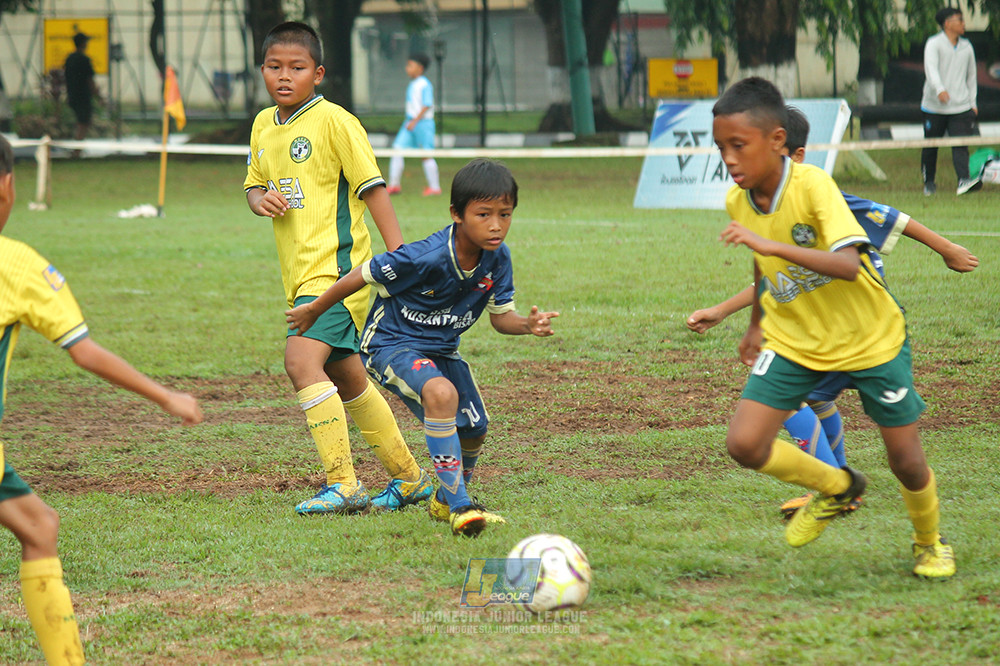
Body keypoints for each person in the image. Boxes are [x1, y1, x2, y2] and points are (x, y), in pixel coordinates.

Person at [712, 77, 955, 578]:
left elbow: (846, 264)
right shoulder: (738, 202)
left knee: (906, 461)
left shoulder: (814, 185)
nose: (729, 159)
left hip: (870, 340)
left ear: (777, 141)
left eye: (739, 146)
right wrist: (757, 321)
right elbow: (762, 264)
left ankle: (929, 542)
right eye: (721, 148)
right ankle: (838, 486)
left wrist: (772, 248)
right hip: (794, 341)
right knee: (745, 444)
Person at [0, 134, 203, 665]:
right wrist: (166, 397)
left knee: (39, 524)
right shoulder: (16, 265)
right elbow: (84, 352)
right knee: (40, 526)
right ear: (6, 186)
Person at [286, 158, 559, 537]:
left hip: (442, 351)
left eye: (505, 214)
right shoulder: (424, 256)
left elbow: (501, 318)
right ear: (457, 214)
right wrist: (315, 308)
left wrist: (527, 325)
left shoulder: (498, 259)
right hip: (390, 344)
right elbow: (362, 274)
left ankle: (444, 501)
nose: (496, 225)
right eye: (483, 214)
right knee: (440, 393)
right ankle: (461, 505)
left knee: (476, 428)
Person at [244, 22, 431, 516]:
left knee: (300, 363)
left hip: (336, 273)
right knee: (347, 379)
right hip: (298, 274)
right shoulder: (264, 124)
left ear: (318, 74)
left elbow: (373, 189)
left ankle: (343, 484)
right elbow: (253, 183)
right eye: (274, 67)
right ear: (262, 70)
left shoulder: (336, 123)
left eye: (297, 68)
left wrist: (400, 259)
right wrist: (259, 199)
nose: (284, 76)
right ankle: (409, 479)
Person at [921, 6, 981, 196]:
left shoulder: (967, 46)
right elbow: (931, 70)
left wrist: (973, 102)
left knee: (960, 146)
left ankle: (964, 181)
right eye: (960, 20)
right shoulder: (934, 43)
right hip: (934, 107)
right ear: (947, 24)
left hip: (960, 107)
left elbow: (971, 76)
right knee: (931, 146)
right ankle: (929, 182)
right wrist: (940, 89)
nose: (964, 24)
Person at [386, 53, 441, 197]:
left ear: (420, 68)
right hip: (409, 122)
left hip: (423, 123)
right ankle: (394, 185)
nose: (407, 69)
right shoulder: (413, 84)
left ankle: (435, 188)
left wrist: (415, 121)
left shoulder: (424, 84)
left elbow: (427, 105)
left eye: (410, 65)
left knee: (426, 154)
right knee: (397, 149)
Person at [63, 32, 100, 153]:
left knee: (80, 121)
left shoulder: (69, 59)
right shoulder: (84, 59)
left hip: (72, 95)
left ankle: (77, 148)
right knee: (83, 123)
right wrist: (98, 96)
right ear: (83, 43)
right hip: (83, 96)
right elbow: (90, 80)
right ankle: (77, 150)